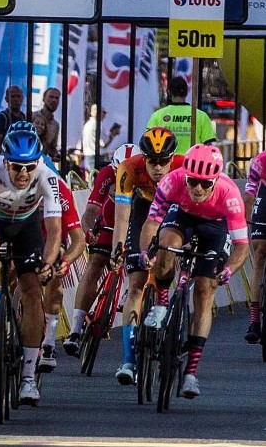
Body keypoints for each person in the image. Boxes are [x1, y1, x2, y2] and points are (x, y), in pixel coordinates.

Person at [139, 144, 248, 399]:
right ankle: (162, 304)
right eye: (193, 181)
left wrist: (229, 269)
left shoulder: (229, 194)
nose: (198, 188)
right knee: (166, 246)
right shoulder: (172, 180)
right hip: (182, 216)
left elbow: (242, 245)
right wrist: (147, 253)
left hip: (215, 224)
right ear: (185, 175)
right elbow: (152, 222)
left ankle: (190, 373)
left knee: (204, 290)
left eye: (205, 184)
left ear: (215, 181)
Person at [0, 123, 62, 405]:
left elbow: (55, 230)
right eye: (17, 167)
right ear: (6, 162)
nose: (23, 173)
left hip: (26, 226)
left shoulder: (47, 175)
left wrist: (47, 263)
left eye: (29, 167)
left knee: (33, 292)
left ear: (38, 163)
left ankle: (28, 376)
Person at [109, 128, 182, 384]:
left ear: (173, 158)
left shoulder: (185, 166)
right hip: (145, 207)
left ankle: (167, 308)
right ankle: (129, 360)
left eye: (164, 161)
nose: (159, 167)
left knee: (167, 256)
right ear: (144, 158)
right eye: (152, 161)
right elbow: (122, 217)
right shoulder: (128, 168)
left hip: (175, 209)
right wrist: (117, 249)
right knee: (136, 283)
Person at [62, 140, 127, 354]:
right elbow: (90, 211)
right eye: (117, 173)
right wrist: (90, 232)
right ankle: (76, 329)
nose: (120, 178)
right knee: (95, 263)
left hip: (134, 220)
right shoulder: (107, 173)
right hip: (109, 218)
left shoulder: (144, 175)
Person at [39, 177, 86, 372]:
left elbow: (79, 239)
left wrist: (65, 261)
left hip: (52, 233)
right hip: (23, 227)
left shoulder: (59, 190)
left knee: (55, 265)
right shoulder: (10, 185)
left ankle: (48, 342)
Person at [146, 76, 216, 154]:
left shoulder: (157, 116)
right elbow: (208, 146)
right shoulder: (201, 116)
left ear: (169, 92)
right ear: (186, 92)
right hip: (191, 163)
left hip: (166, 164)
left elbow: (148, 141)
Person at [243, 148, 266, 342]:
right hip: (265, 199)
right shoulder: (260, 161)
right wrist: (245, 222)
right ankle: (254, 321)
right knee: (259, 253)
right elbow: (249, 194)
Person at [0, 85, 26, 155]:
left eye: (18, 96)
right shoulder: (1, 118)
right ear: (6, 99)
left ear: (22, 98)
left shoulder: (23, 117)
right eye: (12, 96)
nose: (16, 99)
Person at [32, 88, 61, 161]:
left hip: (42, 164)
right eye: (51, 97)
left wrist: (55, 155)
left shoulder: (55, 125)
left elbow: (52, 147)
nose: (54, 100)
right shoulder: (31, 117)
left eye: (56, 98)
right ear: (44, 98)